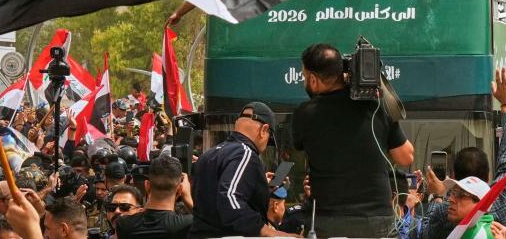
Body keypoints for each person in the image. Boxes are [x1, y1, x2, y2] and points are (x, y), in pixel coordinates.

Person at [291, 43, 415, 237]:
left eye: (305, 77)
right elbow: (406, 157)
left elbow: (300, 146)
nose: (304, 81)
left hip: (328, 219)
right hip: (375, 219)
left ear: (313, 80)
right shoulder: (375, 107)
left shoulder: (304, 114)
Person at [420, 68, 506, 239]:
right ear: (488, 176)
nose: (451, 200)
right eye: (453, 193)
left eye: (461, 195)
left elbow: (426, 231)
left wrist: (437, 196)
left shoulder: (444, 213)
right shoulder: (504, 199)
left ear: (481, 204)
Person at [190, 101, 278, 238]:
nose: (267, 144)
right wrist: (267, 231)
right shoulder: (246, 153)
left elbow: (213, 197)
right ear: (263, 130)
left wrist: (259, 188)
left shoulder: (207, 155)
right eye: (269, 138)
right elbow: (230, 196)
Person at [115, 155, 193, 239]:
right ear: (180, 190)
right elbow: (206, 223)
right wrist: (188, 197)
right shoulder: (186, 224)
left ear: (147, 185)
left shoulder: (123, 224)